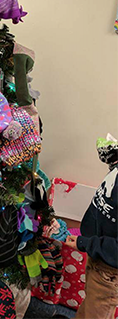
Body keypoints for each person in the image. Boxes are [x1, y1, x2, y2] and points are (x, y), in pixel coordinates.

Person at [65, 137, 118, 319]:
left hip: (109, 270)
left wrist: (86, 243)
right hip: (98, 257)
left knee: (98, 312)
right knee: (90, 306)